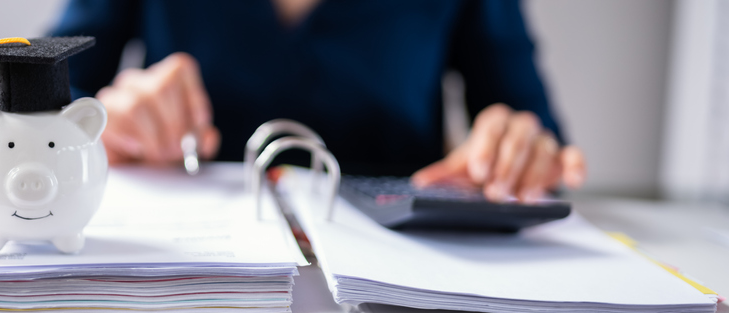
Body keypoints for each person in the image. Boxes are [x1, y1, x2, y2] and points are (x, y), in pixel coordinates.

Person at [51, 0, 586, 203]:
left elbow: (534, 127)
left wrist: (518, 147)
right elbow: (43, 87)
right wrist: (101, 124)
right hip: (195, 284)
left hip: (400, 294)